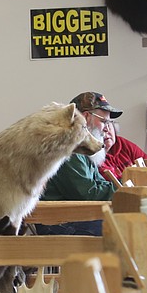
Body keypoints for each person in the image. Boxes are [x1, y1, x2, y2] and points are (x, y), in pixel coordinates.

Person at [35, 91, 119, 236]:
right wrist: (124, 191)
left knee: (125, 223)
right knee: (122, 229)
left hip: (72, 217)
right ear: (86, 117)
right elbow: (87, 194)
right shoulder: (68, 148)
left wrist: (121, 189)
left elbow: (98, 183)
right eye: (104, 122)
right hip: (57, 223)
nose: (107, 128)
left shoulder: (83, 148)